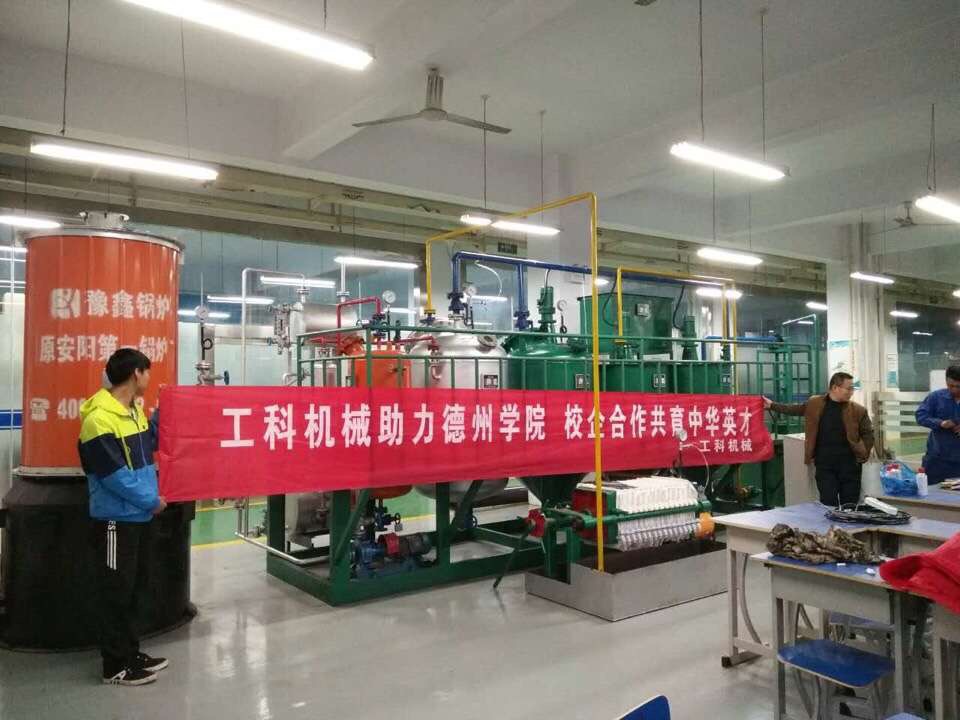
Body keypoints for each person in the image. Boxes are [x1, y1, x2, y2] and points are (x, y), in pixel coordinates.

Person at [78, 348, 168, 686]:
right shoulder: (98, 420)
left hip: (139, 516)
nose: (149, 378)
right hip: (116, 519)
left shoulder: (133, 413)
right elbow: (112, 475)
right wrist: (151, 500)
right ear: (135, 374)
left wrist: (165, 410)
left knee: (135, 589)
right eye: (147, 371)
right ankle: (114, 665)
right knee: (116, 592)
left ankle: (130, 653)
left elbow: (148, 444)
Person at [763, 372, 874, 506]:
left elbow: (868, 434)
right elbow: (794, 409)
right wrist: (772, 405)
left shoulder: (858, 410)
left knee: (850, 504)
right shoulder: (814, 403)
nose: (851, 392)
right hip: (825, 464)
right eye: (848, 388)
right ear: (835, 387)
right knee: (828, 502)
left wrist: (863, 453)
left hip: (850, 465)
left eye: (852, 389)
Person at [915, 366, 960, 485]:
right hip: (937, 459)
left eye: (958, 386)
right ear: (946, 381)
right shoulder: (936, 397)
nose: (954, 390)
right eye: (951, 386)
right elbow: (920, 416)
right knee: (931, 492)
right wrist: (940, 423)